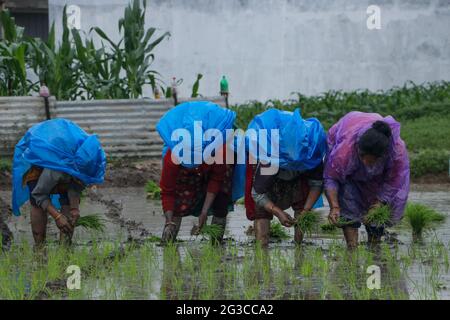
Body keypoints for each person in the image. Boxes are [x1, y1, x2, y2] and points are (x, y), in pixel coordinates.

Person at [156, 101, 243, 244]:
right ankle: (168, 240)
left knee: (221, 196)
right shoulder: (173, 156)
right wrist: (169, 220)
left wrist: (204, 212)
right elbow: (168, 191)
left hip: (216, 162)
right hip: (187, 171)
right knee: (177, 202)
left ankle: (217, 243)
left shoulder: (218, 149)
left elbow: (216, 181)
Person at [12, 119, 106, 247]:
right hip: (41, 162)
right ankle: (40, 248)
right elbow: (39, 194)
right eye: (81, 179)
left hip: (66, 161)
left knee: (69, 207)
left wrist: (74, 209)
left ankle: (64, 249)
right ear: (74, 170)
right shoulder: (55, 171)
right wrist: (57, 216)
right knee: (37, 204)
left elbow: (76, 186)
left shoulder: (85, 165)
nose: (83, 182)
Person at [324, 111, 410, 249]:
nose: (364, 162)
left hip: (380, 179)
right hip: (348, 168)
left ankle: (374, 247)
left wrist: (378, 204)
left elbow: (393, 183)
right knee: (347, 200)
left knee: (377, 213)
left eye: (370, 160)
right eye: (361, 156)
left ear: (381, 156)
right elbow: (331, 177)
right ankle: (352, 248)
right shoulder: (344, 151)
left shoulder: (397, 153)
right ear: (358, 148)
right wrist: (334, 206)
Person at [244, 108, 327, 247]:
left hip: (298, 177)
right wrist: (277, 212)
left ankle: (299, 246)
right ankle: (262, 248)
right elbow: (257, 193)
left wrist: (305, 211)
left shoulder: (312, 151)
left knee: (302, 203)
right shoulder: (269, 155)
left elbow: (317, 184)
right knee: (262, 211)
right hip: (273, 174)